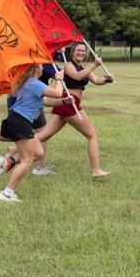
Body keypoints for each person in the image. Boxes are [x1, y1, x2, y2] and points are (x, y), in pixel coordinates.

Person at [0, 64, 72, 203]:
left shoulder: (31, 83)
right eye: (41, 65)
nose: (43, 68)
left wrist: (63, 101)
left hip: (21, 121)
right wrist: (59, 79)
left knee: (38, 153)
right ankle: (7, 193)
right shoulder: (33, 83)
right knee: (27, 160)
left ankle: (6, 162)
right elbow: (57, 92)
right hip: (20, 122)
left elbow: (45, 100)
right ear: (35, 69)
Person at [36, 42, 113, 179]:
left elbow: (96, 80)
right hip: (69, 103)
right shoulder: (68, 66)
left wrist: (107, 80)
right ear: (72, 52)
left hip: (66, 104)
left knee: (43, 136)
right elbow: (77, 76)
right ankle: (96, 170)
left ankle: (12, 153)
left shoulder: (82, 67)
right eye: (78, 50)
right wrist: (95, 64)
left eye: (83, 51)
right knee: (92, 135)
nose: (81, 53)